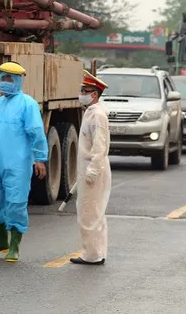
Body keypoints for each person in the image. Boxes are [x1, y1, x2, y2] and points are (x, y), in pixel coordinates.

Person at [0, 61, 47, 262]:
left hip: (18, 163)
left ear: (17, 81)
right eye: (2, 77)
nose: (5, 82)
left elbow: (36, 132)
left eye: (9, 78)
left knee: (15, 203)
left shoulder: (27, 104)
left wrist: (40, 158)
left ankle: (14, 246)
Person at [70, 70, 111, 266]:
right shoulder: (90, 112)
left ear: (94, 94)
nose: (82, 94)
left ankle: (92, 255)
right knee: (94, 212)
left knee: (89, 213)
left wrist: (93, 170)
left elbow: (99, 146)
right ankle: (97, 252)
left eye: (85, 90)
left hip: (93, 169)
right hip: (89, 167)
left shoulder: (97, 116)